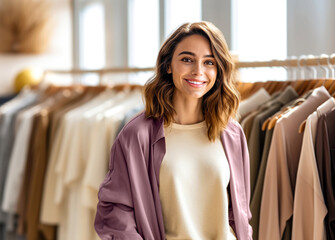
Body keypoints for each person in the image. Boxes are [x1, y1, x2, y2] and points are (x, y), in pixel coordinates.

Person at [94, 21, 252, 240]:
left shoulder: (232, 134)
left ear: (219, 70)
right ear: (168, 65)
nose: (198, 71)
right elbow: (115, 212)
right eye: (187, 60)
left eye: (209, 62)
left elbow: (240, 213)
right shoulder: (137, 134)